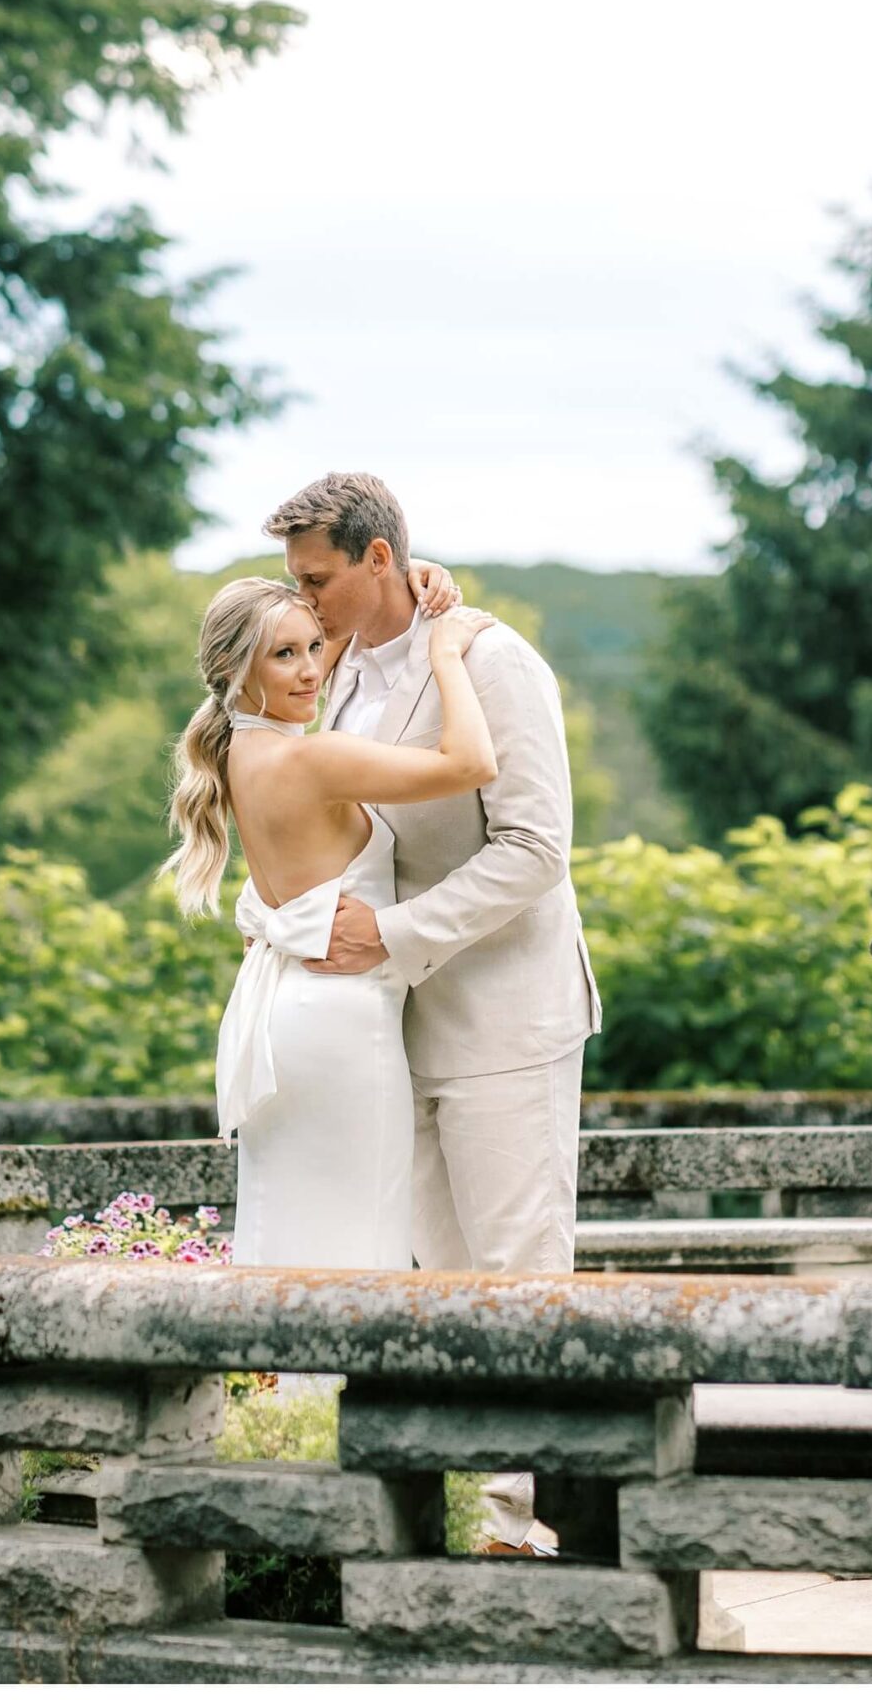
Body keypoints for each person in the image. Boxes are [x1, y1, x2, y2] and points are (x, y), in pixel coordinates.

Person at [263, 471, 602, 1557]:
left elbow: (537, 849)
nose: (302, 605)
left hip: (505, 1020)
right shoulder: (339, 674)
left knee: (516, 1276)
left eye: (316, 579)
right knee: (434, 1283)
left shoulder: (495, 659)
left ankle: (520, 1528)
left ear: (378, 559)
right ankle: (461, 1512)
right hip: (386, 1031)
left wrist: (396, 936)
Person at [163, 571, 497, 1274]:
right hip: (344, 1023)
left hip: (285, 1018)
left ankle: (280, 1382)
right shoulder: (311, 757)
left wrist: (408, 574)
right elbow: (471, 762)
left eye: (316, 647)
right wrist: (444, 652)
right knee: (360, 1238)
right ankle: (335, 1380)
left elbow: (328, 630)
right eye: (284, 655)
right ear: (233, 667)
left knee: (286, 1228)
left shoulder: (239, 749)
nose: (313, 669)